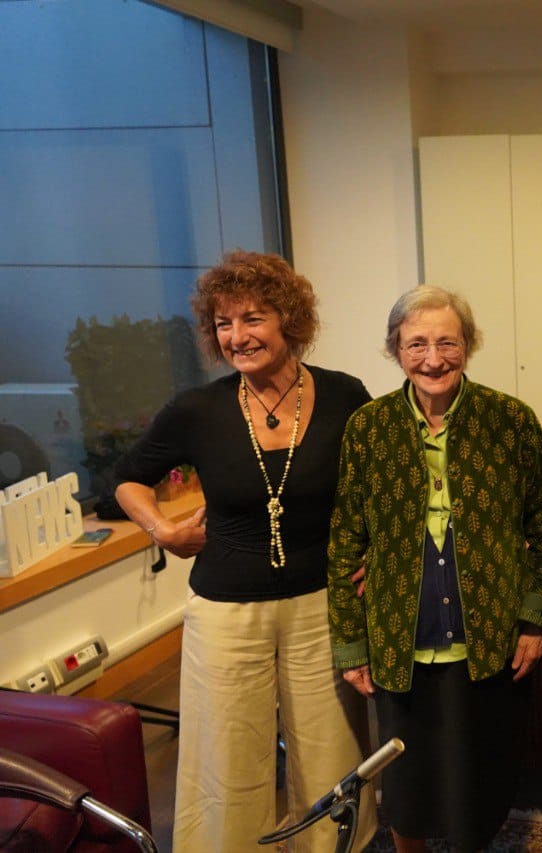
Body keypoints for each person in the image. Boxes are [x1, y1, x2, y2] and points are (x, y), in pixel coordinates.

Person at [114, 250, 375, 852]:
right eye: (223, 324)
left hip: (322, 604)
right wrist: (162, 530)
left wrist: (378, 552)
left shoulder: (344, 396)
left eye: (252, 319)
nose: (237, 337)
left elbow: (381, 485)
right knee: (227, 759)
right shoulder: (197, 409)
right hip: (225, 611)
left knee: (331, 751)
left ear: (290, 320)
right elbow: (127, 478)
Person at [327, 285, 542, 853]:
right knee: (407, 785)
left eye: (447, 343)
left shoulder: (511, 420)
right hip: (399, 637)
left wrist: (533, 619)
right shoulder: (368, 427)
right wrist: (351, 644)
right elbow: (345, 540)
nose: (433, 359)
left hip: (490, 636)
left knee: (481, 777)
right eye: (417, 344)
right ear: (396, 349)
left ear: (468, 345)